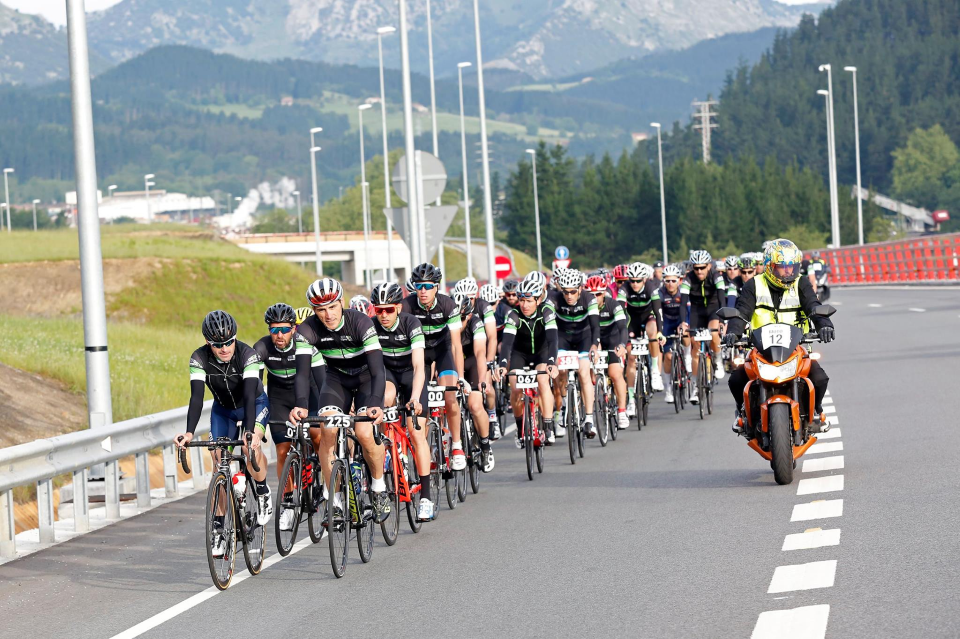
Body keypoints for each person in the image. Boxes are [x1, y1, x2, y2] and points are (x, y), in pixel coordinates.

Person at [288, 278, 391, 523]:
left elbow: (378, 371)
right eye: (321, 310)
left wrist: (376, 401)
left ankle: (378, 488)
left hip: (367, 379)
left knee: (365, 433)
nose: (328, 314)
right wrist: (301, 404)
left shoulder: (361, 322)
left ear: (341, 303)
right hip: (336, 381)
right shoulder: (307, 331)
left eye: (332, 307)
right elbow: (301, 374)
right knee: (328, 429)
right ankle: (334, 502)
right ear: (314, 311)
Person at [175, 310, 272, 557]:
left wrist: (251, 432)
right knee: (220, 463)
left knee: (250, 448)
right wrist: (189, 433)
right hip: (224, 411)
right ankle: (219, 529)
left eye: (229, 342)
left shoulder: (248, 355)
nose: (225, 348)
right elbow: (196, 398)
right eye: (218, 345)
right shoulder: (198, 358)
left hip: (255, 405)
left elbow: (250, 396)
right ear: (209, 343)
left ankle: (261, 490)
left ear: (235, 338)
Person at [723, 239, 835, 433]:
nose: (788, 271)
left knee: (820, 379)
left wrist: (825, 325)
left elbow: (814, 306)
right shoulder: (754, 285)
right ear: (769, 266)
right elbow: (741, 313)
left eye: (792, 267)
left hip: (796, 349)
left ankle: (816, 412)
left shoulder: (801, 283)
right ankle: (743, 414)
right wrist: (733, 332)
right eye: (782, 267)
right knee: (736, 380)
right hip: (760, 350)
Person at [253, 303, 326, 532]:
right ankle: (287, 504)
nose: (279, 335)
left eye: (284, 329)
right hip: (280, 398)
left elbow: (323, 382)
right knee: (283, 450)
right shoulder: (262, 348)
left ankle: (324, 479)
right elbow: (254, 386)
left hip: (310, 394)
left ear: (294, 328)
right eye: (274, 330)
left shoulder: (306, 346)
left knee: (317, 437)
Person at [369, 282, 436, 521]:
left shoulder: (411, 324)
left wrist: (416, 398)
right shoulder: (372, 327)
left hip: (411, 375)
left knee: (415, 431)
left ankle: (426, 497)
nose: (383, 315)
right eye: (379, 310)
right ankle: (384, 444)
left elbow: (420, 366)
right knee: (383, 399)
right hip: (388, 375)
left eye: (388, 309)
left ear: (398, 307)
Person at [401, 263, 468, 471]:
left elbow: (456, 345)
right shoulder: (407, 305)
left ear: (436, 287)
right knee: (423, 402)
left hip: (442, 350)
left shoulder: (448, 305)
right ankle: (426, 447)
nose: (423, 291)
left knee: (449, 396)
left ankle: (456, 445)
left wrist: (461, 377)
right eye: (419, 286)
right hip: (419, 353)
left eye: (428, 286)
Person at [495, 278, 560, 445]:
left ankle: (547, 426)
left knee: (543, 380)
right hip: (520, 354)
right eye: (522, 300)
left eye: (529, 301)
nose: (525, 305)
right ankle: (519, 427)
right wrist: (502, 365)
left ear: (538, 300)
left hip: (542, 352)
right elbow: (507, 343)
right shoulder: (513, 314)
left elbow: (553, 340)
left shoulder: (547, 311)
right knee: (515, 388)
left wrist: (552, 363)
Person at [545, 268, 600, 438]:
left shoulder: (589, 299)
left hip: (584, 337)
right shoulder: (553, 298)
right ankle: (563, 407)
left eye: (573, 292)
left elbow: (596, 325)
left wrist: (595, 345)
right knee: (560, 371)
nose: (569, 296)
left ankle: (589, 419)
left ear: (580, 289)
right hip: (562, 338)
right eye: (565, 292)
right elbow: (547, 320)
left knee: (583, 373)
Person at [452, 291, 496, 472]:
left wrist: (482, 381)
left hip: (471, 361)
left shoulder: (476, 323)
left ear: (468, 316)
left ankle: (486, 446)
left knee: (476, 405)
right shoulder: (446, 326)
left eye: (460, 319)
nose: (456, 324)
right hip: (453, 363)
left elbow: (479, 354)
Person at [680, 250, 725, 403]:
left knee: (713, 334)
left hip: (714, 309)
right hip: (697, 312)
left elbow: (721, 298)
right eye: (696, 268)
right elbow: (683, 303)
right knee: (695, 346)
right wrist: (683, 322)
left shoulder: (716, 276)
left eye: (702, 267)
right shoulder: (688, 279)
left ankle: (718, 358)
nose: (699, 271)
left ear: (709, 266)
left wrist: (722, 321)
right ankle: (695, 386)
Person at [585, 275, 629, 429]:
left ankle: (622, 411)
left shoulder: (613, 304)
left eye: (598, 294)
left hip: (612, 338)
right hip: (592, 340)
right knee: (587, 375)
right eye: (591, 294)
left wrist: (622, 344)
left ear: (604, 293)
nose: (594, 298)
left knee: (615, 373)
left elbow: (623, 327)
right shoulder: (584, 306)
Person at [618, 262, 665, 400]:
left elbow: (658, 312)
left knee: (653, 330)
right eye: (632, 281)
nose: (635, 284)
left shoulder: (651, 288)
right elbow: (620, 314)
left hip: (648, 317)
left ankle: (655, 371)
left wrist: (660, 332)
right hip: (632, 320)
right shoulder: (624, 289)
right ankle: (631, 399)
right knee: (631, 358)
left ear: (644, 279)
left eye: (638, 281)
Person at [657, 265, 689, 405]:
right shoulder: (659, 293)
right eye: (667, 281)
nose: (670, 284)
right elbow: (658, 313)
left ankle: (687, 359)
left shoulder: (684, 292)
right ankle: (669, 388)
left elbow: (689, 311)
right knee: (668, 356)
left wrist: (685, 324)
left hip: (681, 320)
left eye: (673, 281)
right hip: (667, 323)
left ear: (679, 280)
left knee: (687, 335)